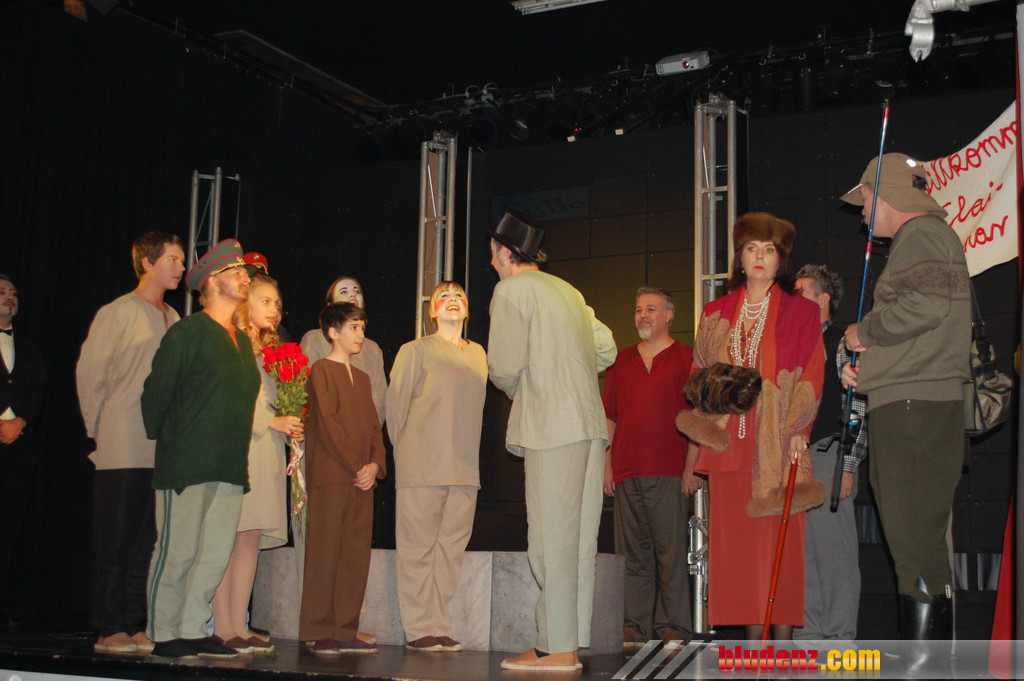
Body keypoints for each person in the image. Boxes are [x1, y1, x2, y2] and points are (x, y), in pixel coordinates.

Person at [840, 153, 970, 641]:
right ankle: (931, 663)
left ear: (887, 194)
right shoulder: (926, 238)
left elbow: (926, 305)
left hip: (913, 408)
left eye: (866, 199)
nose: (862, 212)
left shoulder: (921, 235)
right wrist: (869, 369)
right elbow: (925, 324)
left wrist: (863, 332)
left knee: (914, 545)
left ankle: (924, 666)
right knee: (919, 544)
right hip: (912, 402)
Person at [677, 212, 824, 641]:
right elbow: (697, 375)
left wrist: (799, 429)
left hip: (778, 444)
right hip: (729, 448)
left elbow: (812, 372)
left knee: (780, 549)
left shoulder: (801, 311)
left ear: (781, 260)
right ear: (739, 258)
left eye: (769, 250)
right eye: (751, 249)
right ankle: (755, 651)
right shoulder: (715, 312)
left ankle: (781, 649)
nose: (760, 257)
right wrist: (722, 393)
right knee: (740, 555)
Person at [487, 211, 616, 672]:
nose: (492, 263)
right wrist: (564, 362)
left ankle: (557, 649)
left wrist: (530, 381)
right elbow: (607, 348)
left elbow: (503, 366)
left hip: (552, 425)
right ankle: (562, 644)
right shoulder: (569, 291)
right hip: (590, 426)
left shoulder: (511, 290)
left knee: (550, 539)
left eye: (493, 255)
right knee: (578, 540)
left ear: (507, 253)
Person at [141, 239, 261, 659]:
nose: (245, 278)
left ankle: (193, 628)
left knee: (213, 555)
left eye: (246, 273)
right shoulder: (188, 331)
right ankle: (164, 632)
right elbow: (156, 394)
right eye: (236, 272)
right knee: (178, 551)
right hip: (188, 464)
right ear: (210, 281)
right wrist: (171, 444)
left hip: (229, 466)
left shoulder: (242, 341)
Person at [76, 232, 184, 655]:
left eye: (181, 261)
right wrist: (96, 426)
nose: (180, 268)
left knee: (147, 541)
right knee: (116, 538)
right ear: (147, 264)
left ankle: (135, 622)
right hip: (122, 438)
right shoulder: (118, 312)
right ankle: (109, 627)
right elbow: (91, 373)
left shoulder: (174, 316)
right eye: (172, 260)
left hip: (162, 444)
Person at [386, 281, 487, 652]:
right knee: (417, 551)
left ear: (468, 308)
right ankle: (418, 629)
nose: (453, 300)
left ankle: (439, 624)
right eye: (444, 296)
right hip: (422, 466)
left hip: (465, 470)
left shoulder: (479, 354)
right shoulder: (415, 350)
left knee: (449, 553)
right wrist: (409, 457)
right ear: (432, 310)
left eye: (459, 295)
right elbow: (395, 409)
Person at [210, 271, 303, 653]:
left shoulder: (273, 348)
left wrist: (291, 414)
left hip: (267, 451)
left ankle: (240, 624)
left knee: (249, 538)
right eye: (266, 301)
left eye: (278, 304)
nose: (274, 310)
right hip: (238, 446)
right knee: (228, 537)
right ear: (246, 302)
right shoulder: (230, 340)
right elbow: (225, 396)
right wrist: (270, 420)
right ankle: (222, 625)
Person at [602, 287, 693, 647]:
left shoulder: (686, 357)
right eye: (639, 309)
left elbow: (698, 416)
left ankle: (674, 626)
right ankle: (634, 625)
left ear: (669, 315)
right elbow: (609, 417)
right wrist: (607, 466)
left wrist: (693, 468)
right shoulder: (621, 360)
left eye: (651, 309)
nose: (643, 315)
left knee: (671, 554)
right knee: (631, 555)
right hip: (627, 470)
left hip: (670, 470)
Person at [299, 302, 386, 654]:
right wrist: (357, 466)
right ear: (333, 332)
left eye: (362, 327)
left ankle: (345, 627)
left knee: (355, 555)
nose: (360, 334)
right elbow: (327, 425)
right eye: (353, 327)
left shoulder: (362, 378)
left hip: (361, 479)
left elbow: (373, 428)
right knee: (325, 552)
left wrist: (374, 465)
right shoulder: (320, 370)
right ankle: (320, 629)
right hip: (332, 476)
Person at [793, 265, 864, 644]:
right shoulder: (793, 343)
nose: (793, 299)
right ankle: (808, 635)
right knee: (802, 552)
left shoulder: (841, 343)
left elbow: (858, 405)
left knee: (834, 555)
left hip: (828, 455)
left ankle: (838, 638)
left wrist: (847, 464)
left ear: (823, 300)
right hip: (796, 460)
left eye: (801, 292)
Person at [0, 274, 46, 626]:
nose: (10, 297)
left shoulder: (28, 345)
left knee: (9, 527)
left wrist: (21, 421)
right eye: (2, 292)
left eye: (14, 292)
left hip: (18, 449)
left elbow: (39, 387)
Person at [300, 275, 386, 422]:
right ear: (330, 305)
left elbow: (379, 398)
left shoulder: (373, 348)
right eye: (344, 291)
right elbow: (306, 390)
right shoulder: (314, 338)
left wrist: (369, 428)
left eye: (357, 291)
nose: (352, 295)